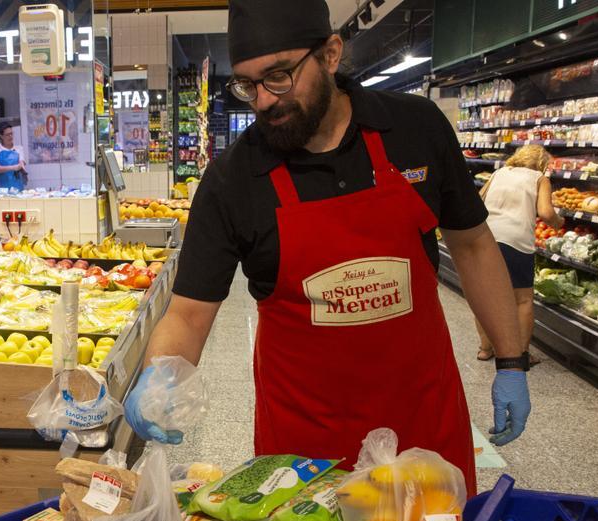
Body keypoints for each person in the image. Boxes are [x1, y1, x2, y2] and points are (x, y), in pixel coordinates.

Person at [122, 0, 532, 495]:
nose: (264, 101)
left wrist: (511, 360)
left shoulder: (415, 129)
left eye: (278, 76)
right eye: (248, 85)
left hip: (423, 426)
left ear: (331, 54)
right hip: (304, 450)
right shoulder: (234, 178)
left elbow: (472, 245)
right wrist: (159, 379)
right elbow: (188, 313)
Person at [475, 145, 563, 363]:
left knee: (485, 297)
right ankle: (521, 354)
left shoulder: (499, 173)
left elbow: (477, 199)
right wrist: (558, 222)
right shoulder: (539, 178)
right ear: (542, 164)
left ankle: (485, 349)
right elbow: (545, 212)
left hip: (487, 237)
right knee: (522, 300)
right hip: (516, 240)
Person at [0, 122, 26, 191]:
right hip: (2, 189)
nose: (11, 137)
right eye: (7, 135)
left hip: (17, 187)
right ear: (1, 136)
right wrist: (13, 167)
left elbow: (21, 161)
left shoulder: (19, 148)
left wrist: (22, 166)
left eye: (11, 134)